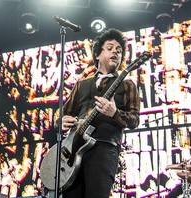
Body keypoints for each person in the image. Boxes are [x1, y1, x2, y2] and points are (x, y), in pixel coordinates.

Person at [56, 28, 141, 198]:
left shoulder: (127, 85)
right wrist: (61, 121)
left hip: (104, 149)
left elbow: (134, 120)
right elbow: (63, 113)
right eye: (110, 48)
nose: (115, 52)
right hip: (72, 150)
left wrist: (114, 113)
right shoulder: (81, 84)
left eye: (119, 50)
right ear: (97, 54)